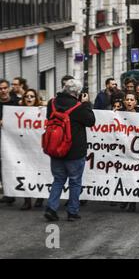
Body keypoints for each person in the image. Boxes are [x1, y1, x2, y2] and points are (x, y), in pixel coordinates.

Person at [44, 79, 96, 222]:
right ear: (78, 93)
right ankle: (72, 212)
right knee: (74, 181)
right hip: (75, 151)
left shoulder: (52, 103)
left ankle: (51, 208)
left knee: (58, 180)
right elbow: (91, 121)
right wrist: (86, 103)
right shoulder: (79, 107)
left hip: (56, 148)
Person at [19, 89, 44, 210]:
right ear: (23, 99)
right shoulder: (17, 112)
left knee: (39, 172)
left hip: (39, 149)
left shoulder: (41, 111)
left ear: (36, 98)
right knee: (25, 173)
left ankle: (40, 197)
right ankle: (27, 200)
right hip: (24, 149)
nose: (29, 98)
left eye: (32, 96)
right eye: (27, 96)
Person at [0, 79, 20, 204]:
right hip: (1, 140)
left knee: (13, 165)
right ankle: (8, 193)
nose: (2, 91)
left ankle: (13, 190)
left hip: (14, 141)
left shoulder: (17, 102)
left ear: (8, 89)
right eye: (0, 89)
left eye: (5, 88)